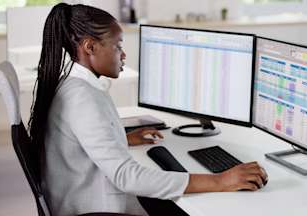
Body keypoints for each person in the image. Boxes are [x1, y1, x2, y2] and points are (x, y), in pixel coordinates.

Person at [28, 3, 268, 216]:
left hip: (82, 199)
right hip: (93, 208)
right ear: (90, 47)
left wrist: (122, 138)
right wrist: (219, 180)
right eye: (117, 46)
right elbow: (126, 176)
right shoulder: (83, 97)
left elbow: (84, 141)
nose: (123, 55)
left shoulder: (72, 83)